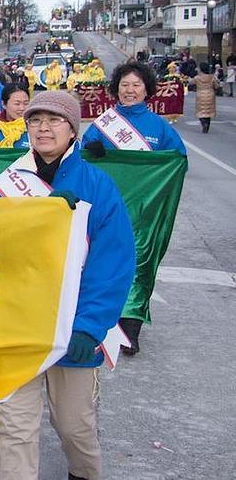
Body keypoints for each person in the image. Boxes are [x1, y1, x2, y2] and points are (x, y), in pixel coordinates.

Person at [0, 91, 135, 480]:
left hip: (74, 328)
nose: (44, 128)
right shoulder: (4, 184)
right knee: (15, 428)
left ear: (72, 130)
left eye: (54, 120)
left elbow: (113, 264)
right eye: (35, 120)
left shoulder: (98, 187)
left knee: (74, 428)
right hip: (19, 328)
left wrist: (90, 326)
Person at [82, 61, 185, 354]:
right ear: (116, 89)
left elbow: (177, 161)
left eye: (136, 85)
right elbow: (79, 159)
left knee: (138, 264)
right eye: (125, 85)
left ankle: (131, 327)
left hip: (142, 213)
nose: (130, 90)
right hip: (107, 208)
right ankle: (103, 318)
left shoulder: (159, 128)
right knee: (103, 260)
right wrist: (92, 151)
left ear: (147, 90)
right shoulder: (103, 124)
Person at [192, 62, 221, 133]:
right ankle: (207, 125)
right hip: (210, 94)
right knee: (208, 111)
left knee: (200, 111)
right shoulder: (212, 77)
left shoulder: (197, 78)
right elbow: (216, 86)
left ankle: (203, 123)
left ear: (201, 69)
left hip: (200, 94)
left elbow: (191, 83)